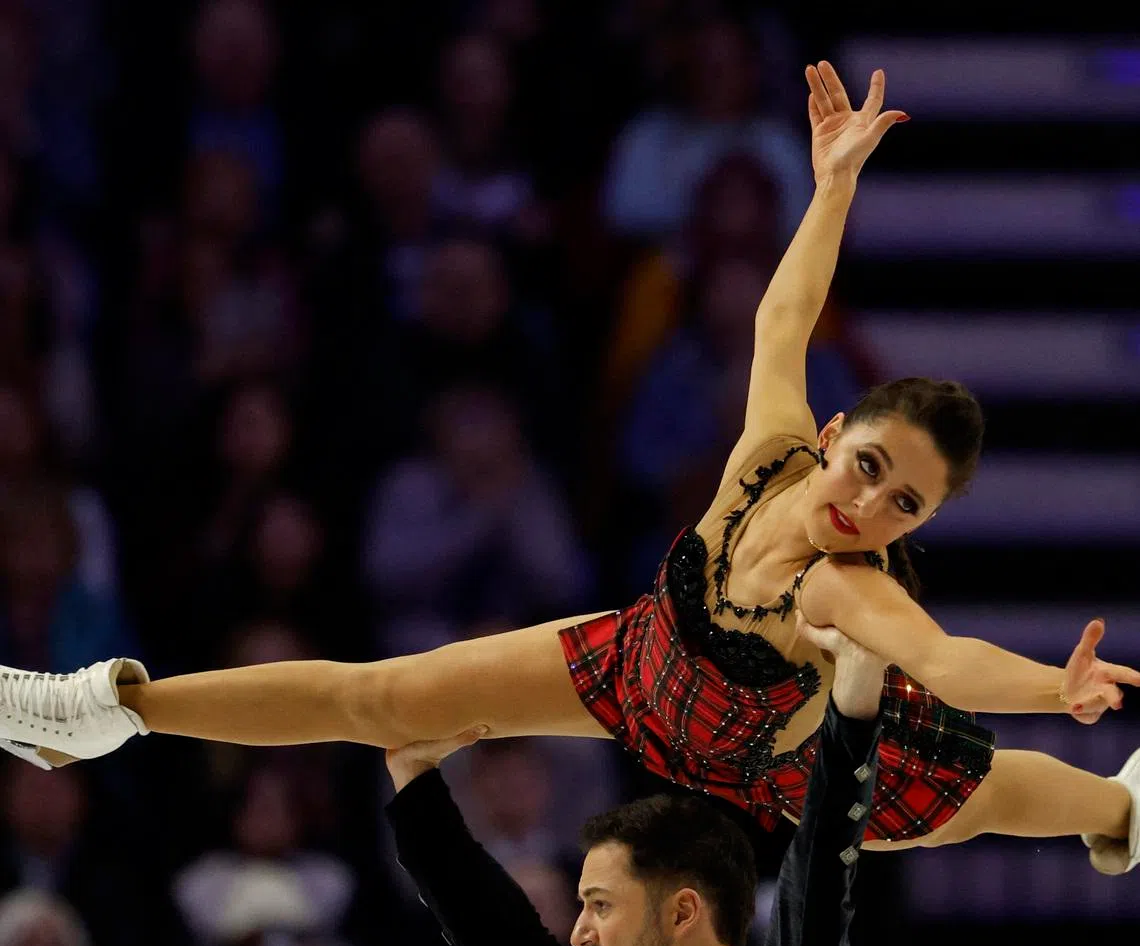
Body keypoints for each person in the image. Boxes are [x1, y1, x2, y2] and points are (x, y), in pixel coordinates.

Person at [2, 63, 1139, 875]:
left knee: (977, 800)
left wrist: (1059, 690)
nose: (870, 504)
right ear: (833, 433)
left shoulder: (850, 590)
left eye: (906, 505)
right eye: (873, 466)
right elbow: (785, 317)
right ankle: (106, 711)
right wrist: (833, 185)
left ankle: (1117, 806)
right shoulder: (771, 451)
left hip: (776, 771)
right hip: (634, 669)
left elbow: (943, 659)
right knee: (381, 697)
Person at [384, 617, 886, 946]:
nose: (579, 934)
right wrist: (413, 774)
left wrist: (855, 700)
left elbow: (819, 879)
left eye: (601, 906)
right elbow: (498, 936)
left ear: (681, 912)